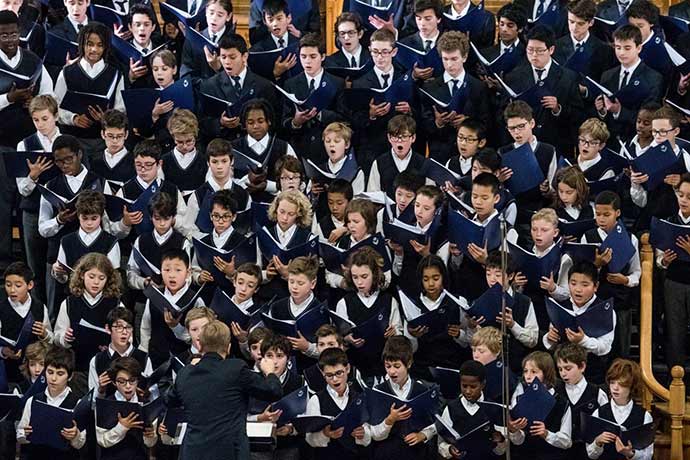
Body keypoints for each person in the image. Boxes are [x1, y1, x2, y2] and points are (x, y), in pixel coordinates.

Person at [164, 320, 284, 460]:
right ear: (228, 347)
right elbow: (274, 391)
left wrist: (189, 370)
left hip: (193, 452)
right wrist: (270, 373)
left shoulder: (185, 374)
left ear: (200, 346)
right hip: (229, 453)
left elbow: (168, 400)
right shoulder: (236, 369)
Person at [53, 252, 124, 396]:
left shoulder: (116, 304)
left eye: (101, 278)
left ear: (108, 279)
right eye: (91, 277)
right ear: (81, 276)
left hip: (107, 369)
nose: (96, 282)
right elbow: (57, 336)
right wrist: (64, 338)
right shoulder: (69, 303)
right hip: (78, 368)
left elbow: (126, 336)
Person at [15, 95, 61, 304]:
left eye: (45, 119)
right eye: (36, 120)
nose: (41, 125)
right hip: (33, 211)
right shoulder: (24, 145)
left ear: (56, 116)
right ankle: (38, 315)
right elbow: (23, 190)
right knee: (34, 267)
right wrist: (33, 176)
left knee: (56, 267)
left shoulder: (66, 142)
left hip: (61, 213)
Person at [421, 31, 491, 164]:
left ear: (464, 57)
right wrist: (438, 123)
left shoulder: (478, 87)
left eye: (454, 59)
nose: (449, 65)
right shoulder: (430, 88)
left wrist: (467, 122)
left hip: (470, 158)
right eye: (445, 59)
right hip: (440, 155)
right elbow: (423, 125)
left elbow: (486, 123)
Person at [335, 247, 401, 380]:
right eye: (355, 277)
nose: (359, 282)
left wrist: (394, 334)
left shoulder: (388, 300)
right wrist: (348, 340)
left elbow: (399, 335)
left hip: (384, 371)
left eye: (364, 276)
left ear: (375, 274)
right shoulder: (344, 303)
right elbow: (339, 342)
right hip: (355, 371)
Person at [281, 33, 346, 164]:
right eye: (303, 57)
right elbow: (283, 121)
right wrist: (296, 122)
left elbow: (344, 118)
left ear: (322, 57)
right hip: (300, 150)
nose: (307, 61)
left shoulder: (337, 83)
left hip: (327, 150)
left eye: (312, 56)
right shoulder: (290, 84)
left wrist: (321, 115)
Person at [198, 33, 276, 143]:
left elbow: (273, 122)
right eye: (223, 57)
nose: (227, 62)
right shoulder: (209, 86)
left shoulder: (264, 86)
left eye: (232, 57)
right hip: (223, 148)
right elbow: (202, 122)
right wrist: (220, 123)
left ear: (244, 56)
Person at [16, 347, 86, 459]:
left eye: (60, 374)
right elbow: (20, 434)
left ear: (70, 376)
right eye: (50, 372)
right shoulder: (33, 400)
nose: (53, 378)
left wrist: (75, 435)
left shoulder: (78, 403)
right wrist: (25, 433)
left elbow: (80, 444)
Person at [140, 249, 204, 367]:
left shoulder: (195, 300)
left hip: (185, 361)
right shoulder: (154, 295)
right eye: (167, 270)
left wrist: (176, 327)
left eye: (178, 270)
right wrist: (143, 354)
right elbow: (145, 328)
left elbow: (200, 336)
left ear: (188, 273)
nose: (172, 275)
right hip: (155, 359)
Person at [304, 347, 372, 457]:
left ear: (348, 369)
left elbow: (368, 436)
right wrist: (326, 434)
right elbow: (309, 439)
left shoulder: (359, 398)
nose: (335, 379)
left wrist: (362, 434)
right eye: (329, 375)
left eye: (339, 373)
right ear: (322, 374)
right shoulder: (316, 400)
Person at [0, 10, 53, 147]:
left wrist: (36, 103)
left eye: (14, 34)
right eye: (4, 36)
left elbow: (50, 96)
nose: (10, 40)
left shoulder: (33, 60)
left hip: (28, 136)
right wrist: (9, 98)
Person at [436, 360, 508, 459]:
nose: (468, 391)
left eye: (473, 387)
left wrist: (500, 440)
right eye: (464, 386)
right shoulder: (451, 408)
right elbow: (441, 443)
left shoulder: (494, 408)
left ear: (483, 384)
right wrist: (449, 449)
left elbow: (501, 451)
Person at [509, 351, 573, 460]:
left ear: (546, 373)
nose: (528, 377)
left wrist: (547, 434)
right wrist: (514, 430)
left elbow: (567, 442)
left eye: (534, 372)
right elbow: (518, 441)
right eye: (525, 371)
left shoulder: (561, 403)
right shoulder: (519, 398)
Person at [585, 359, 653, 459]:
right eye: (612, 382)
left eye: (621, 384)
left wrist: (630, 454)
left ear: (631, 386)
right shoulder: (599, 413)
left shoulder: (644, 416)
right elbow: (590, 454)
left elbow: (648, 456)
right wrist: (597, 442)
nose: (615, 388)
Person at [657, 173, 690, 373]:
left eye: (689, 196)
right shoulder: (669, 222)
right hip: (674, 282)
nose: (684, 200)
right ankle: (675, 382)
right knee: (674, 332)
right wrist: (664, 260)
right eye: (681, 195)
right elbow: (660, 258)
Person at [95, 356, 158, 459]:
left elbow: (150, 444)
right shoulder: (105, 404)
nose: (128, 386)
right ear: (114, 382)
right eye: (122, 381)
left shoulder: (146, 404)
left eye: (132, 380)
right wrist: (122, 427)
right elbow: (102, 440)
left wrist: (150, 436)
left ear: (138, 380)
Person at [553, 343, 609, 460]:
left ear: (582, 367)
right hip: (559, 452)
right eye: (560, 369)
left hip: (588, 452)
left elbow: (606, 423)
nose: (563, 373)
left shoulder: (597, 393)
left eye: (568, 368)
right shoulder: (555, 391)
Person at [88, 307, 152, 398]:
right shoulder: (97, 360)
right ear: (108, 328)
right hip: (108, 410)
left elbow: (153, 395)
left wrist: (145, 394)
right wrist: (101, 390)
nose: (124, 332)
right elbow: (92, 403)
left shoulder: (143, 358)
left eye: (128, 327)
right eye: (119, 327)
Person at [179, 0, 234, 81]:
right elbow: (185, 73)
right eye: (211, 13)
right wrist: (205, 86)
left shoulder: (234, 41)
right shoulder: (193, 39)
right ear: (206, 12)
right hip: (199, 90)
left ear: (228, 16)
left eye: (219, 15)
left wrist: (219, 68)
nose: (214, 18)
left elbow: (238, 75)